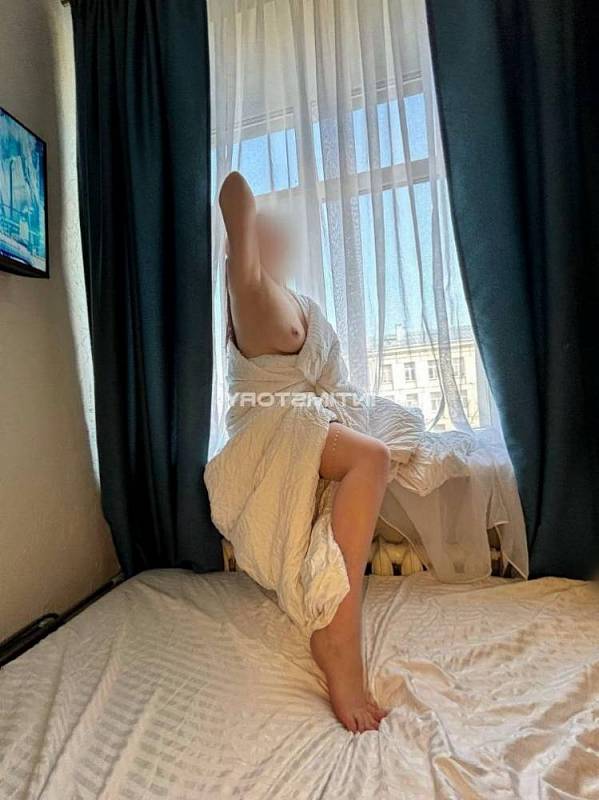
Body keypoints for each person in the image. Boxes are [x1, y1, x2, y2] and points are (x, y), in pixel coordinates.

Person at [214, 171, 390, 732]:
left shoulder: (300, 301)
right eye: (265, 231)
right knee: (372, 457)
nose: (280, 235)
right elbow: (234, 192)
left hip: (308, 418)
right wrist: (240, 205)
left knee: (387, 448)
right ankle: (339, 637)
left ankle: (336, 618)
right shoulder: (249, 291)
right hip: (269, 429)